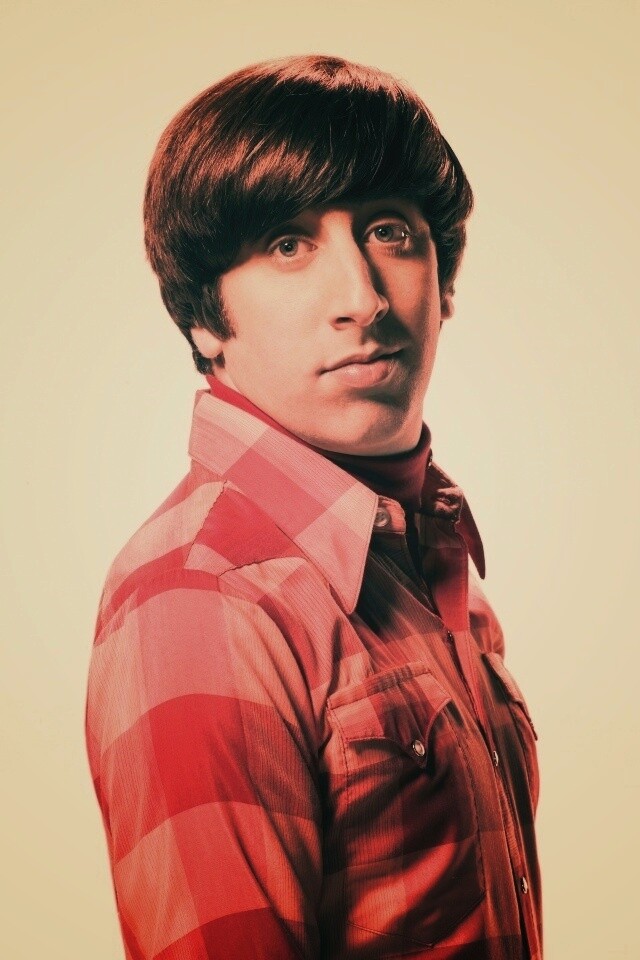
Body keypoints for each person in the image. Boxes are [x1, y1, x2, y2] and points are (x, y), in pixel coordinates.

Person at [85, 54, 542, 960]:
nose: (362, 300)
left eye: (389, 232)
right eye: (289, 245)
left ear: (444, 281)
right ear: (205, 317)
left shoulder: (433, 563)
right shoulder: (204, 597)